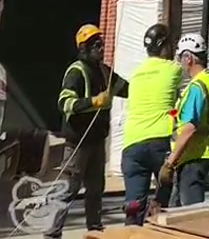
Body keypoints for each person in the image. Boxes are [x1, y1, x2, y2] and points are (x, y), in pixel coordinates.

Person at [45, 24, 128, 239]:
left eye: (101, 44)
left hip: (97, 141)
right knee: (68, 189)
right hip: (78, 143)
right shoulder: (76, 72)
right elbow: (65, 103)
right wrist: (93, 101)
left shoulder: (104, 71)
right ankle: (52, 233)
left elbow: (126, 88)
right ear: (84, 47)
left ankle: (95, 230)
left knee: (95, 189)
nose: (101, 48)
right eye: (96, 45)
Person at [121, 23, 183, 225]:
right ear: (165, 46)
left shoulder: (137, 75)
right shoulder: (174, 69)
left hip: (132, 144)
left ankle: (131, 232)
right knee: (167, 199)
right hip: (159, 141)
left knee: (133, 206)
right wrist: (172, 114)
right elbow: (178, 104)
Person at [158, 33, 209, 206]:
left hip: (193, 155)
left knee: (191, 209)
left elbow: (190, 127)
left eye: (181, 57)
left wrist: (170, 162)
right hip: (199, 154)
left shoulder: (197, 86)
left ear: (188, 58)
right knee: (177, 205)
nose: (180, 62)